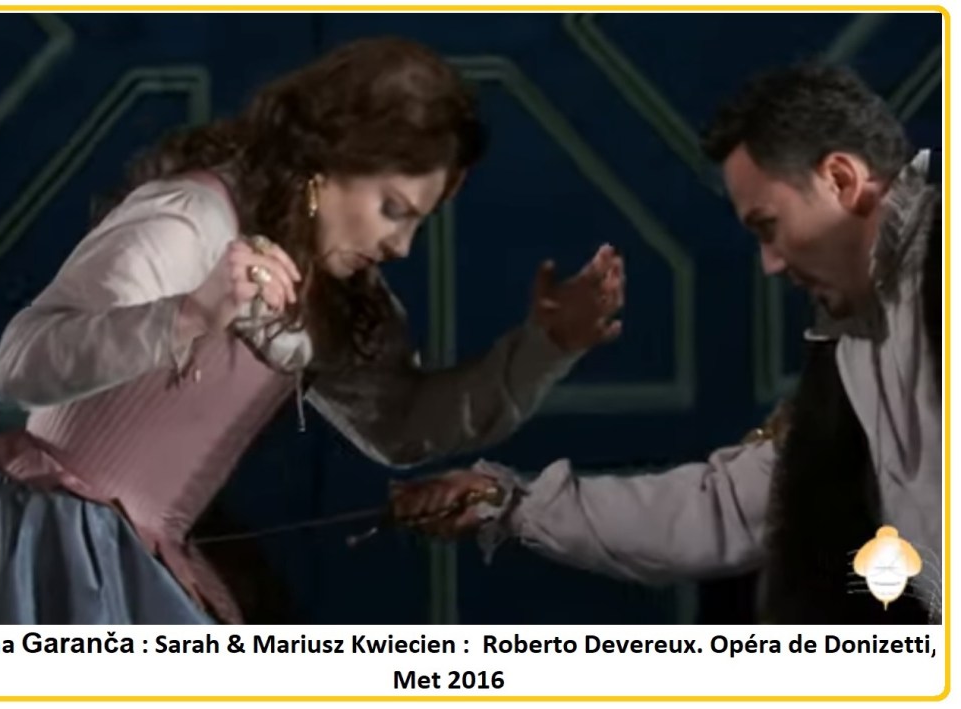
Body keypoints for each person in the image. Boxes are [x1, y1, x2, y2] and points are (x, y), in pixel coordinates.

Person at [0, 37, 624, 625]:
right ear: (326, 162)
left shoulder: (332, 292)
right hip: (43, 560)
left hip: (150, 568)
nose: (400, 246)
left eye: (418, 221)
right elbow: (18, 366)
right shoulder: (193, 219)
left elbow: (402, 425)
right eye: (393, 209)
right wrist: (189, 313)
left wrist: (546, 346)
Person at [391, 62, 942, 624]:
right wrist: (506, 502)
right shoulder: (853, 339)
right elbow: (727, 508)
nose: (772, 264)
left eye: (768, 226)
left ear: (842, 180)